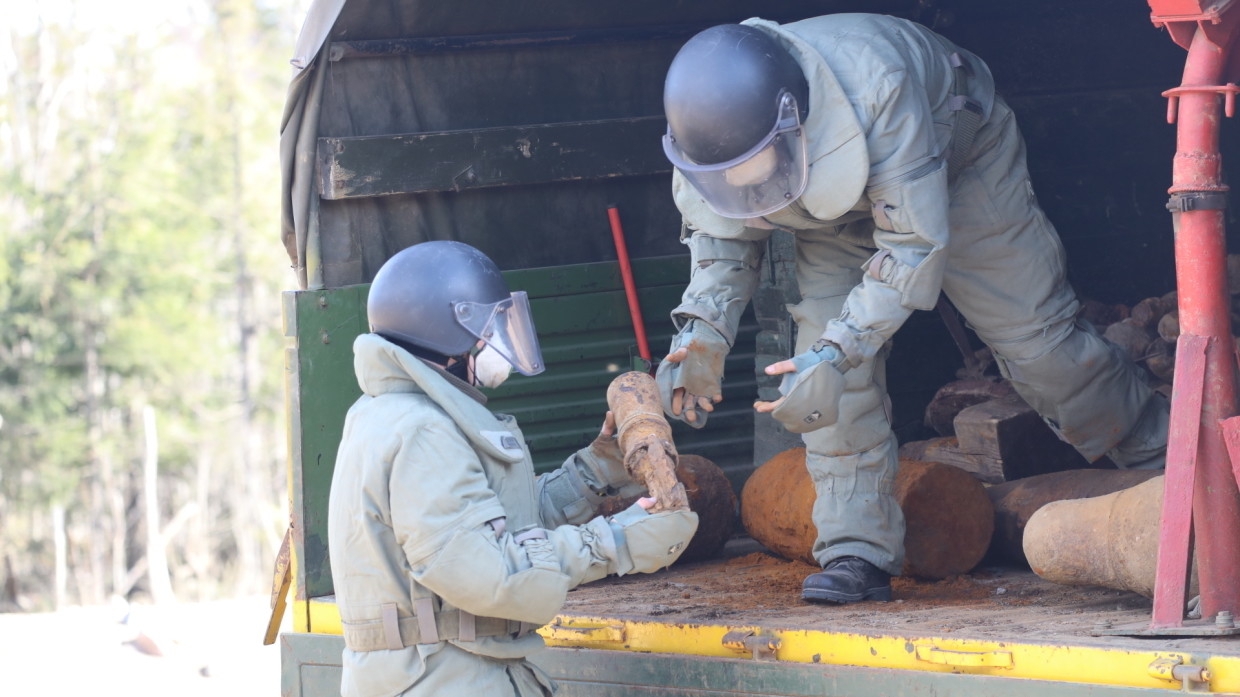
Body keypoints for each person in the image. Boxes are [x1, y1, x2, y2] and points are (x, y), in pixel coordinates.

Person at [654, 14, 1169, 605]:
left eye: (756, 170)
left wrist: (837, 349)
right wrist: (703, 334)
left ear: (790, 118)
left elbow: (912, 248)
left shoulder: (880, 85)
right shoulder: (706, 134)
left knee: (1039, 347)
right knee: (825, 386)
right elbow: (720, 244)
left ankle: (1164, 462)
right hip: (833, 209)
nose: (746, 186)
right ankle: (856, 552)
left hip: (958, 159)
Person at [328, 240, 698, 697]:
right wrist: (617, 541)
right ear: (448, 333)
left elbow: (492, 521)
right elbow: (489, 573)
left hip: (452, 674)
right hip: (442, 681)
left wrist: (594, 469)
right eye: (488, 326)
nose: (497, 342)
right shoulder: (422, 432)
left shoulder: (394, 414)